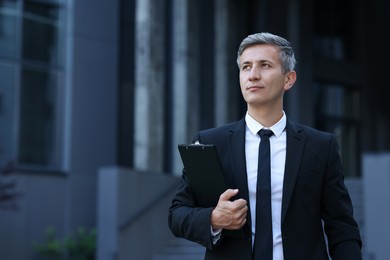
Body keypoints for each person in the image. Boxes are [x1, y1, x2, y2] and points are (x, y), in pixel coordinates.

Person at [168, 32, 362, 260]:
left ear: (288, 79)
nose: (253, 75)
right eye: (246, 67)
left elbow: (342, 228)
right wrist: (213, 218)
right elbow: (177, 214)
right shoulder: (211, 142)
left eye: (265, 65)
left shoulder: (320, 146)